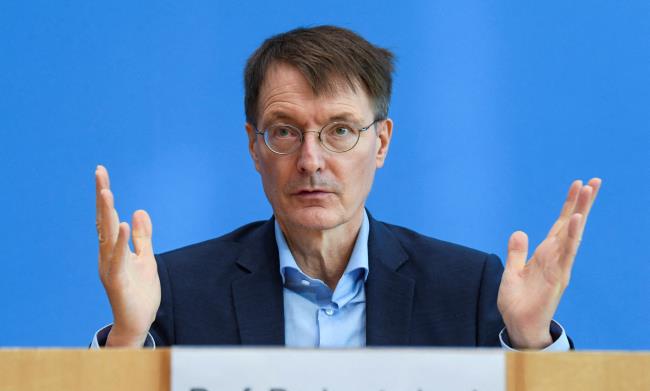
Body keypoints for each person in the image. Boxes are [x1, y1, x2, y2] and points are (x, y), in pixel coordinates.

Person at [92, 25, 600, 350]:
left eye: (339, 131)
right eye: (285, 131)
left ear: (381, 143)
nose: (311, 161)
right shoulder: (179, 289)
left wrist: (532, 341)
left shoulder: (466, 288)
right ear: (254, 147)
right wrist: (129, 338)